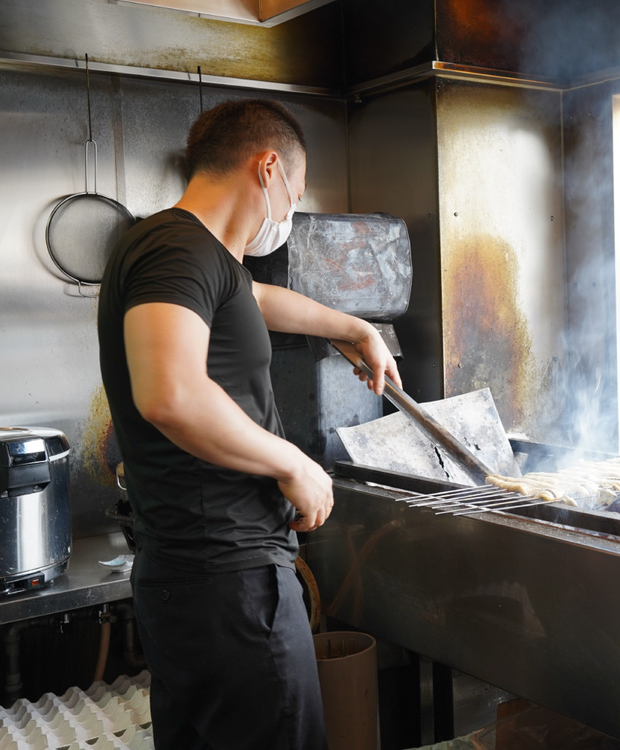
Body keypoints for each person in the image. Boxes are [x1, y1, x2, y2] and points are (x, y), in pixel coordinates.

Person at [97, 98, 401, 750]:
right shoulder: (176, 248)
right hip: (225, 582)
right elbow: (170, 395)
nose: (289, 210)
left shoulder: (197, 258)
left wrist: (355, 328)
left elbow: (256, 300)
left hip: (204, 581)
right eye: (295, 191)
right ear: (268, 169)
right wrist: (293, 464)